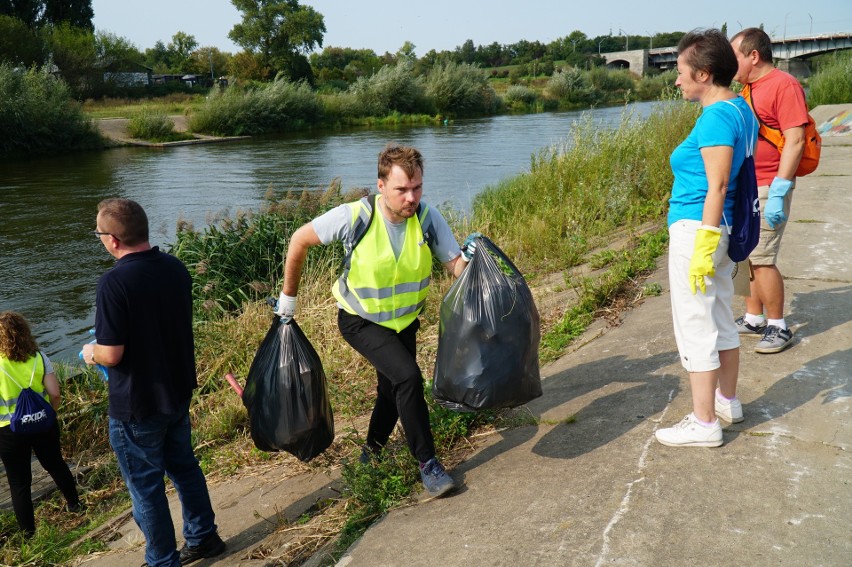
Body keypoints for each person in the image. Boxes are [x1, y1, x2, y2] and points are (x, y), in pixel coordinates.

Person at [276, 144, 475, 498]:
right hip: (360, 320)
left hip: (404, 322)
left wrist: (478, 265)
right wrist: (288, 301)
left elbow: (455, 266)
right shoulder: (355, 216)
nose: (411, 197)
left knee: (390, 389)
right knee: (408, 378)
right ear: (381, 185)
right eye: (401, 189)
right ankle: (428, 463)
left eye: (416, 188)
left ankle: (372, 453)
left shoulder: (427, 218)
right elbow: (299, 240)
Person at [82, 198, 225, 567]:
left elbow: (112, 354)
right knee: (184, 468)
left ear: (112, 240)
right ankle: (204, 537)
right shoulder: (175, 267)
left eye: (99, 233)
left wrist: (90, 352)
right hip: (176, 391)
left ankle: (162, 560)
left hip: (137, 404)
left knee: (145, 488)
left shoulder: (114, 282)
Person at [655, 29, 758, 448]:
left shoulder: (716, 116)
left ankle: (703, 423)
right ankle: (726, 402)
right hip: (718, 231)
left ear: (703, 73)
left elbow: (717, 186)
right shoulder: (739, 109)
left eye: (681, 72)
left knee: (696, 325)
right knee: (718, 318)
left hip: (699, 230)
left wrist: (702, 245)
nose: (676, 80)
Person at [730, 27, 809, 354]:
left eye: (733, 55)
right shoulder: (747, 89)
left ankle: (779, 326)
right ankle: (754, 317)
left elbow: (796, 139)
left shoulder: (783, 85)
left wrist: (780, 188)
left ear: (753, 55)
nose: (728, 62)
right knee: (747, 254)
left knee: (762, 259)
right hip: (750, 187)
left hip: (769, 186)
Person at [0, 311, 83, 537]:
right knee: (55, 464)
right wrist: (49, 416)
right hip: (42, 424)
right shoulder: (39, 358)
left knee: (19, 483)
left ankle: (29, 533)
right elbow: (55, 394)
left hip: (8, 431)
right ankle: (75, 505)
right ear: (25, 332)